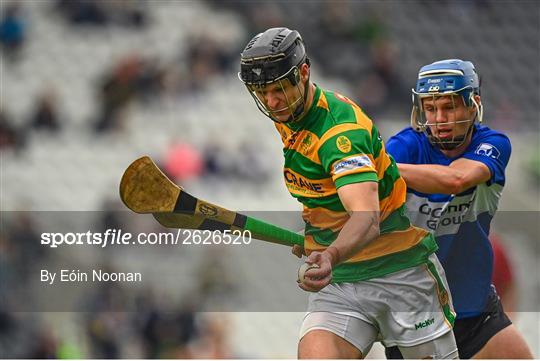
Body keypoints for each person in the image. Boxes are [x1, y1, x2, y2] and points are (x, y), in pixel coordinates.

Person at [238, 27, 458, 359]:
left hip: (400, 275)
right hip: (341, 283)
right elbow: (328, 197)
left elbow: (366, 219)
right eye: (262, 92)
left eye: (279, 89)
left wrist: (329, 254)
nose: (272, 101)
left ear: (304, 73)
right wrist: (320, 236)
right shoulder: (290, 113)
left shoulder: (341, 135)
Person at [384, 59, 532, 359]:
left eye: (449, 107)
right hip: (416, 319)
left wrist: (382, 169)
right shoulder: (404, 147)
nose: (439, 118)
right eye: (430, 108)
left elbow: (457, 179)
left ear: (472, 104)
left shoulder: (492, 143)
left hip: (477, 312)